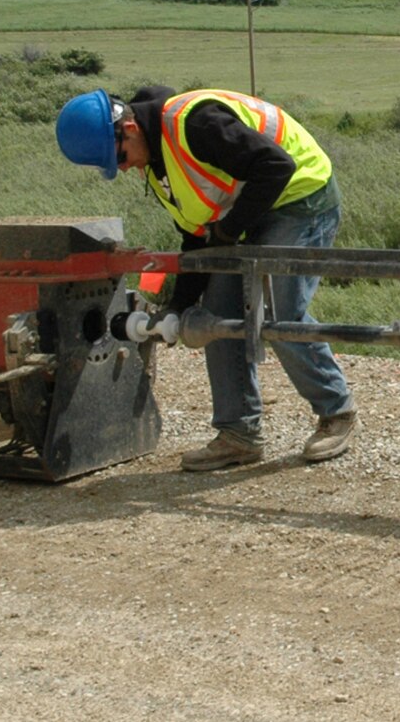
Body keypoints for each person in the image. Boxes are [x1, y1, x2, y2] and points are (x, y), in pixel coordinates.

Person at [55, 84, 356, 471]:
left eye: (122, 158)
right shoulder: (157, 161)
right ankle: (239, 434)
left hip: (302, 199)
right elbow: (195, 236)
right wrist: (177, 307)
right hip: (254, 207)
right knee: (217, 314)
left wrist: (229, 232)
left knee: (284, 312)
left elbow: (276, 166)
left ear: (129, 128)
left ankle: (337, 411)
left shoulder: (195, 126)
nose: (126, 168)